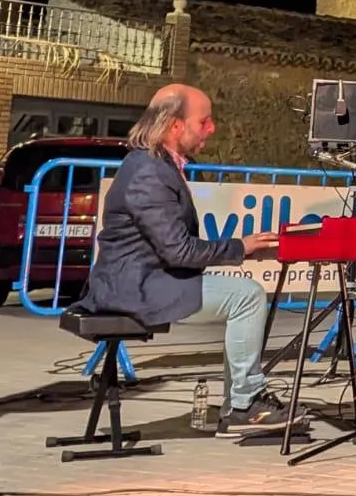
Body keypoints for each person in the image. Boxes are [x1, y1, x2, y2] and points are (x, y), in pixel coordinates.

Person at [78, 84, 297, 438]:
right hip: (136, 287)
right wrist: (240, 247)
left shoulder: (156, 164)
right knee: (247, 296)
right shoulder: (149, 171)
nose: (211, 128)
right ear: (175, 125)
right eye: (204, 121)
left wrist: (244, 250)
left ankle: (242, 403)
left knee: (243, 293)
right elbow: (178, 251)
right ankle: (245, 404)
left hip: (145, 278)